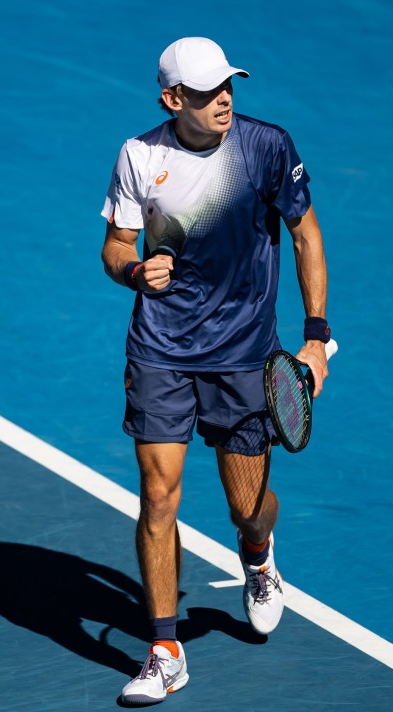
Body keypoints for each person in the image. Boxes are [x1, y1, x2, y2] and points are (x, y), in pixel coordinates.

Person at [99, 37, 332, 704]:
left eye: (228, 85)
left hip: (243, 352)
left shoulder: (266, 148)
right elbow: (116, 247)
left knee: (247, 508)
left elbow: (306, 234)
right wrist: (137, 272)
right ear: (173, 100)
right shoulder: (140, 156)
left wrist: (315, 338)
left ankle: (258, 558)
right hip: (161, 350)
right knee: (158, 495)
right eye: (205, 92)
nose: (223, 99)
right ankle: (166, 649)